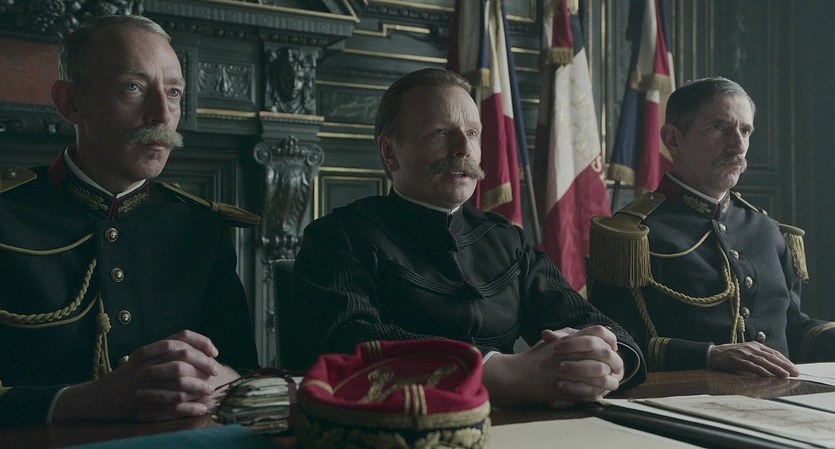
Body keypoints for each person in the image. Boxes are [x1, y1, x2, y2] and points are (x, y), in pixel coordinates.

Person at [285, 68, 646, 407]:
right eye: (440, 132)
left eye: (472, 133)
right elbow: (347, 342)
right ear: (390, 152)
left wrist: (606, 361)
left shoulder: (508, 240)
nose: (464, 148)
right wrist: (495, 371)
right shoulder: (337, 237)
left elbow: (593, 322)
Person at [0, 15, 259, 428]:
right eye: (133, 87)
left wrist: (224, 380)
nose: (162, 114)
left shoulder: (200, 227)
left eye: (173, 92)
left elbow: (244, 370)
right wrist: (83, 401)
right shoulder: (7, 215)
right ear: (70, 102)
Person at [588, 76, 835, 377]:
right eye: (719, 127)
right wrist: (707, 356)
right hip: (683, 400)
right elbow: (616, 345)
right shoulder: (631, 238)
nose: (738, 145)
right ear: (673, 139)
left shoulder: (767, 230)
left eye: (745, 131)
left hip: (781, 398)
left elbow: (792, 329)